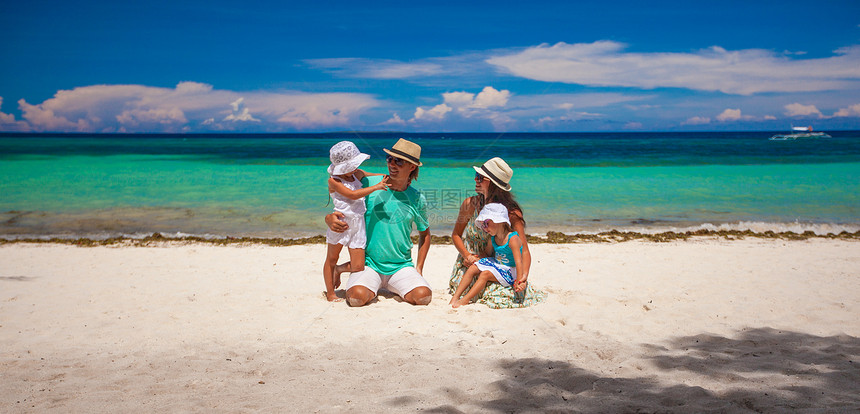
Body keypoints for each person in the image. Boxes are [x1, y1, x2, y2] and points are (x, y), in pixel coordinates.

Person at [325, 138, 432, 307]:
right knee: (356, 299)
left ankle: (394, 284)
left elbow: (425, 234)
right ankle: (343, 271)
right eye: (390, 159)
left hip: (401, 266)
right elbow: (343, 205)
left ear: (412, 167)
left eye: (399, 161)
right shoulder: (368, 184)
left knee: (423, 297)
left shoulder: (417, 198)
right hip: (367, 265)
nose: (392, 164)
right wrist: (329, 219)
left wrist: (419, 268)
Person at [449, 157, 546, 308]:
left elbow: (524, 250)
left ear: (493, 184)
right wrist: (466, 255)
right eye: (476, 176)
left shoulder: (511, 213)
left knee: (496, 295)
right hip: (470, 262)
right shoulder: (470, 204)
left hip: (500, 265)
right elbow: (455, 235)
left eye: (480, 177)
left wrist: (523, 278)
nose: (475, 179)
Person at [322, 141, 389, 301]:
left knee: (358, 266)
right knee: (331, 259)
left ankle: (338, 270)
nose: (355, 168)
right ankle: (330, 293)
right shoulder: (334, 181)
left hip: (358, 224)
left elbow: (372, 175)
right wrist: (376, 187)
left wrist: (387, 177)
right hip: (340, 223)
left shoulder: (356, 174)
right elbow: (352, 195)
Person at [450, 203, 524, 308]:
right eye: (483, 225)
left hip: (510, 270)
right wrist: (475, 259)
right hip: (497, 265)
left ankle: (465, 300)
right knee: (473, 268)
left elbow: (519, 261)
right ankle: (455, 297)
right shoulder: (493, 238)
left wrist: (519, 280)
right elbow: (487, 254)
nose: (484, 228)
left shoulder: (512, 239)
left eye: (486, 223)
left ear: (499, 221)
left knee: (485, 274)